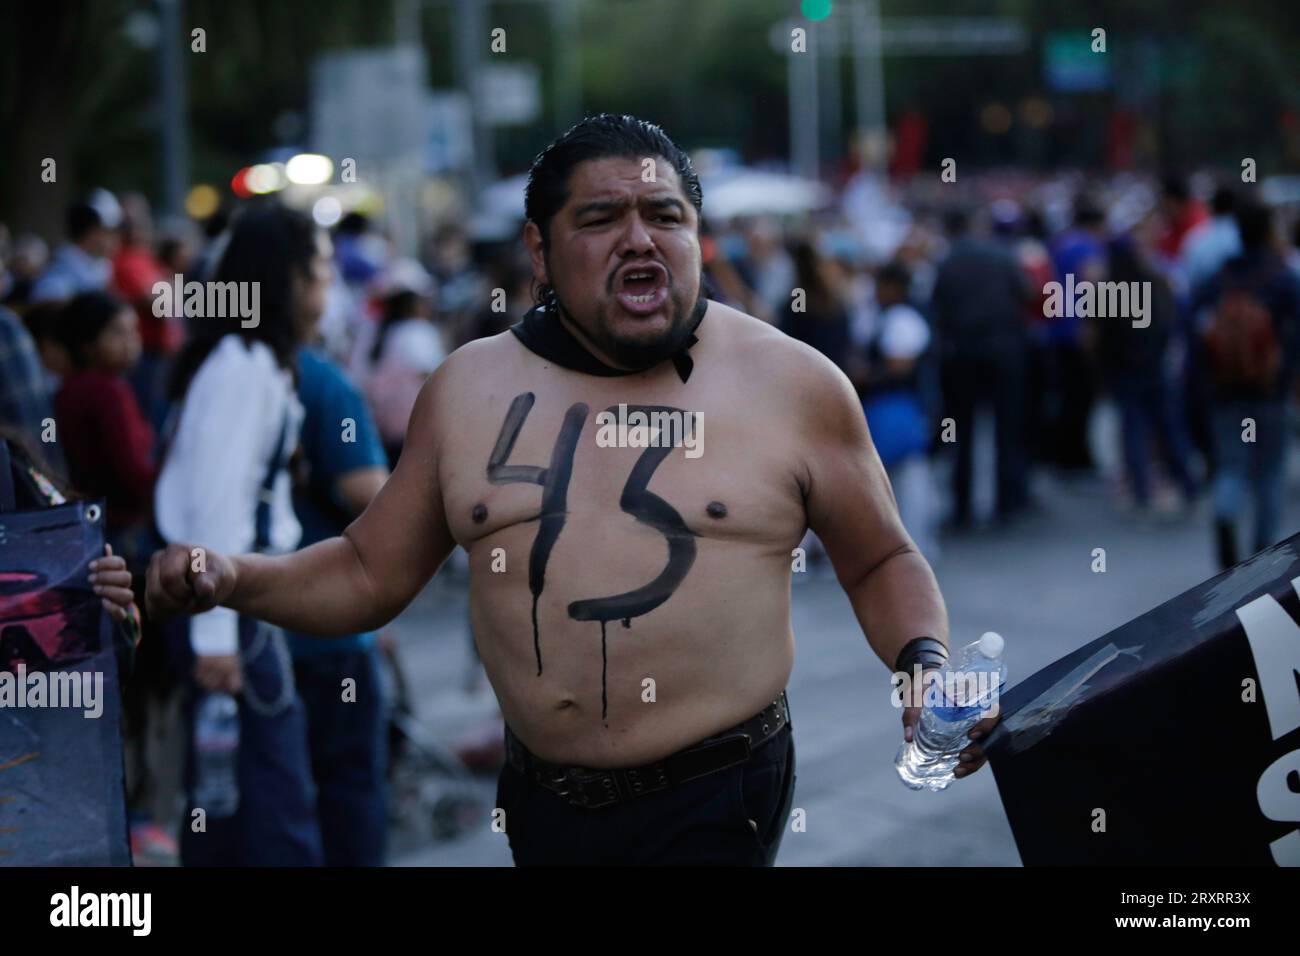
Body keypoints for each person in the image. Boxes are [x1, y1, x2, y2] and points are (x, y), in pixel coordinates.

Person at [147, 115, 996, 867]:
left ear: (699, 238)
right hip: (542, 805)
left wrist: (920, 664)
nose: (640, 239)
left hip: (718, 796)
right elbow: (369, 572)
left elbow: (881, 554)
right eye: (600, 219)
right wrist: (234, 579)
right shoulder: (468, 389)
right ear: (539, 251)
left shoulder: (794, 383)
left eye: (666, 217)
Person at [153, 203, 332, 866]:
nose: (328, 287)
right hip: (229, 605)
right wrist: (216, 639)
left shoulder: (255, 361)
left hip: (236, 603)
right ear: (284, 279)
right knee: (270, 799)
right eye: (319, 271)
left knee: (232, 802)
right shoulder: (243, 366)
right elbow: (216, 507)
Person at [288, 343, 392, 866]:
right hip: (327, 625)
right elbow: (370, 492)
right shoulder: (319, 380)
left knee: (268, 799)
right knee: (347, 784)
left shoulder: (195, 372)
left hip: (234, 632)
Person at [1194, 199, 1300, 568]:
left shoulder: (1219, 278)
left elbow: (1195, 329)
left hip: (1225, 392)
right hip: (1271, 391)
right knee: (1270, 471)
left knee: (1232, 466)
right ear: (1269, 232)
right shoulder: (1282, 278)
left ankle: (1226, 510)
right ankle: (1262, 553)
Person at [931, 207, 1033, 525]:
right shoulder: (1004, 255)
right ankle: (1008, 503)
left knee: (961, 432)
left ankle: (962, 507)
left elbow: (937, 307)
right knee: (1008, 427)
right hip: (1005, 351)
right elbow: (1028, 294)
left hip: (962, 353)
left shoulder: (947, 261)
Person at [51, 291, 156, 559]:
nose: (132, 342)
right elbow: (132, 469)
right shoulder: (107, 392)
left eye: (133, 331)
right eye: (118, 333)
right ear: (87, 344)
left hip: (85, 521)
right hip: (117, 524)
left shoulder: (67, 389)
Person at [30, 190, 123, 303]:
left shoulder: (101, 265)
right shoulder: (60, 269)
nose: (116, 238)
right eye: (110, 232)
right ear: (91, 232)